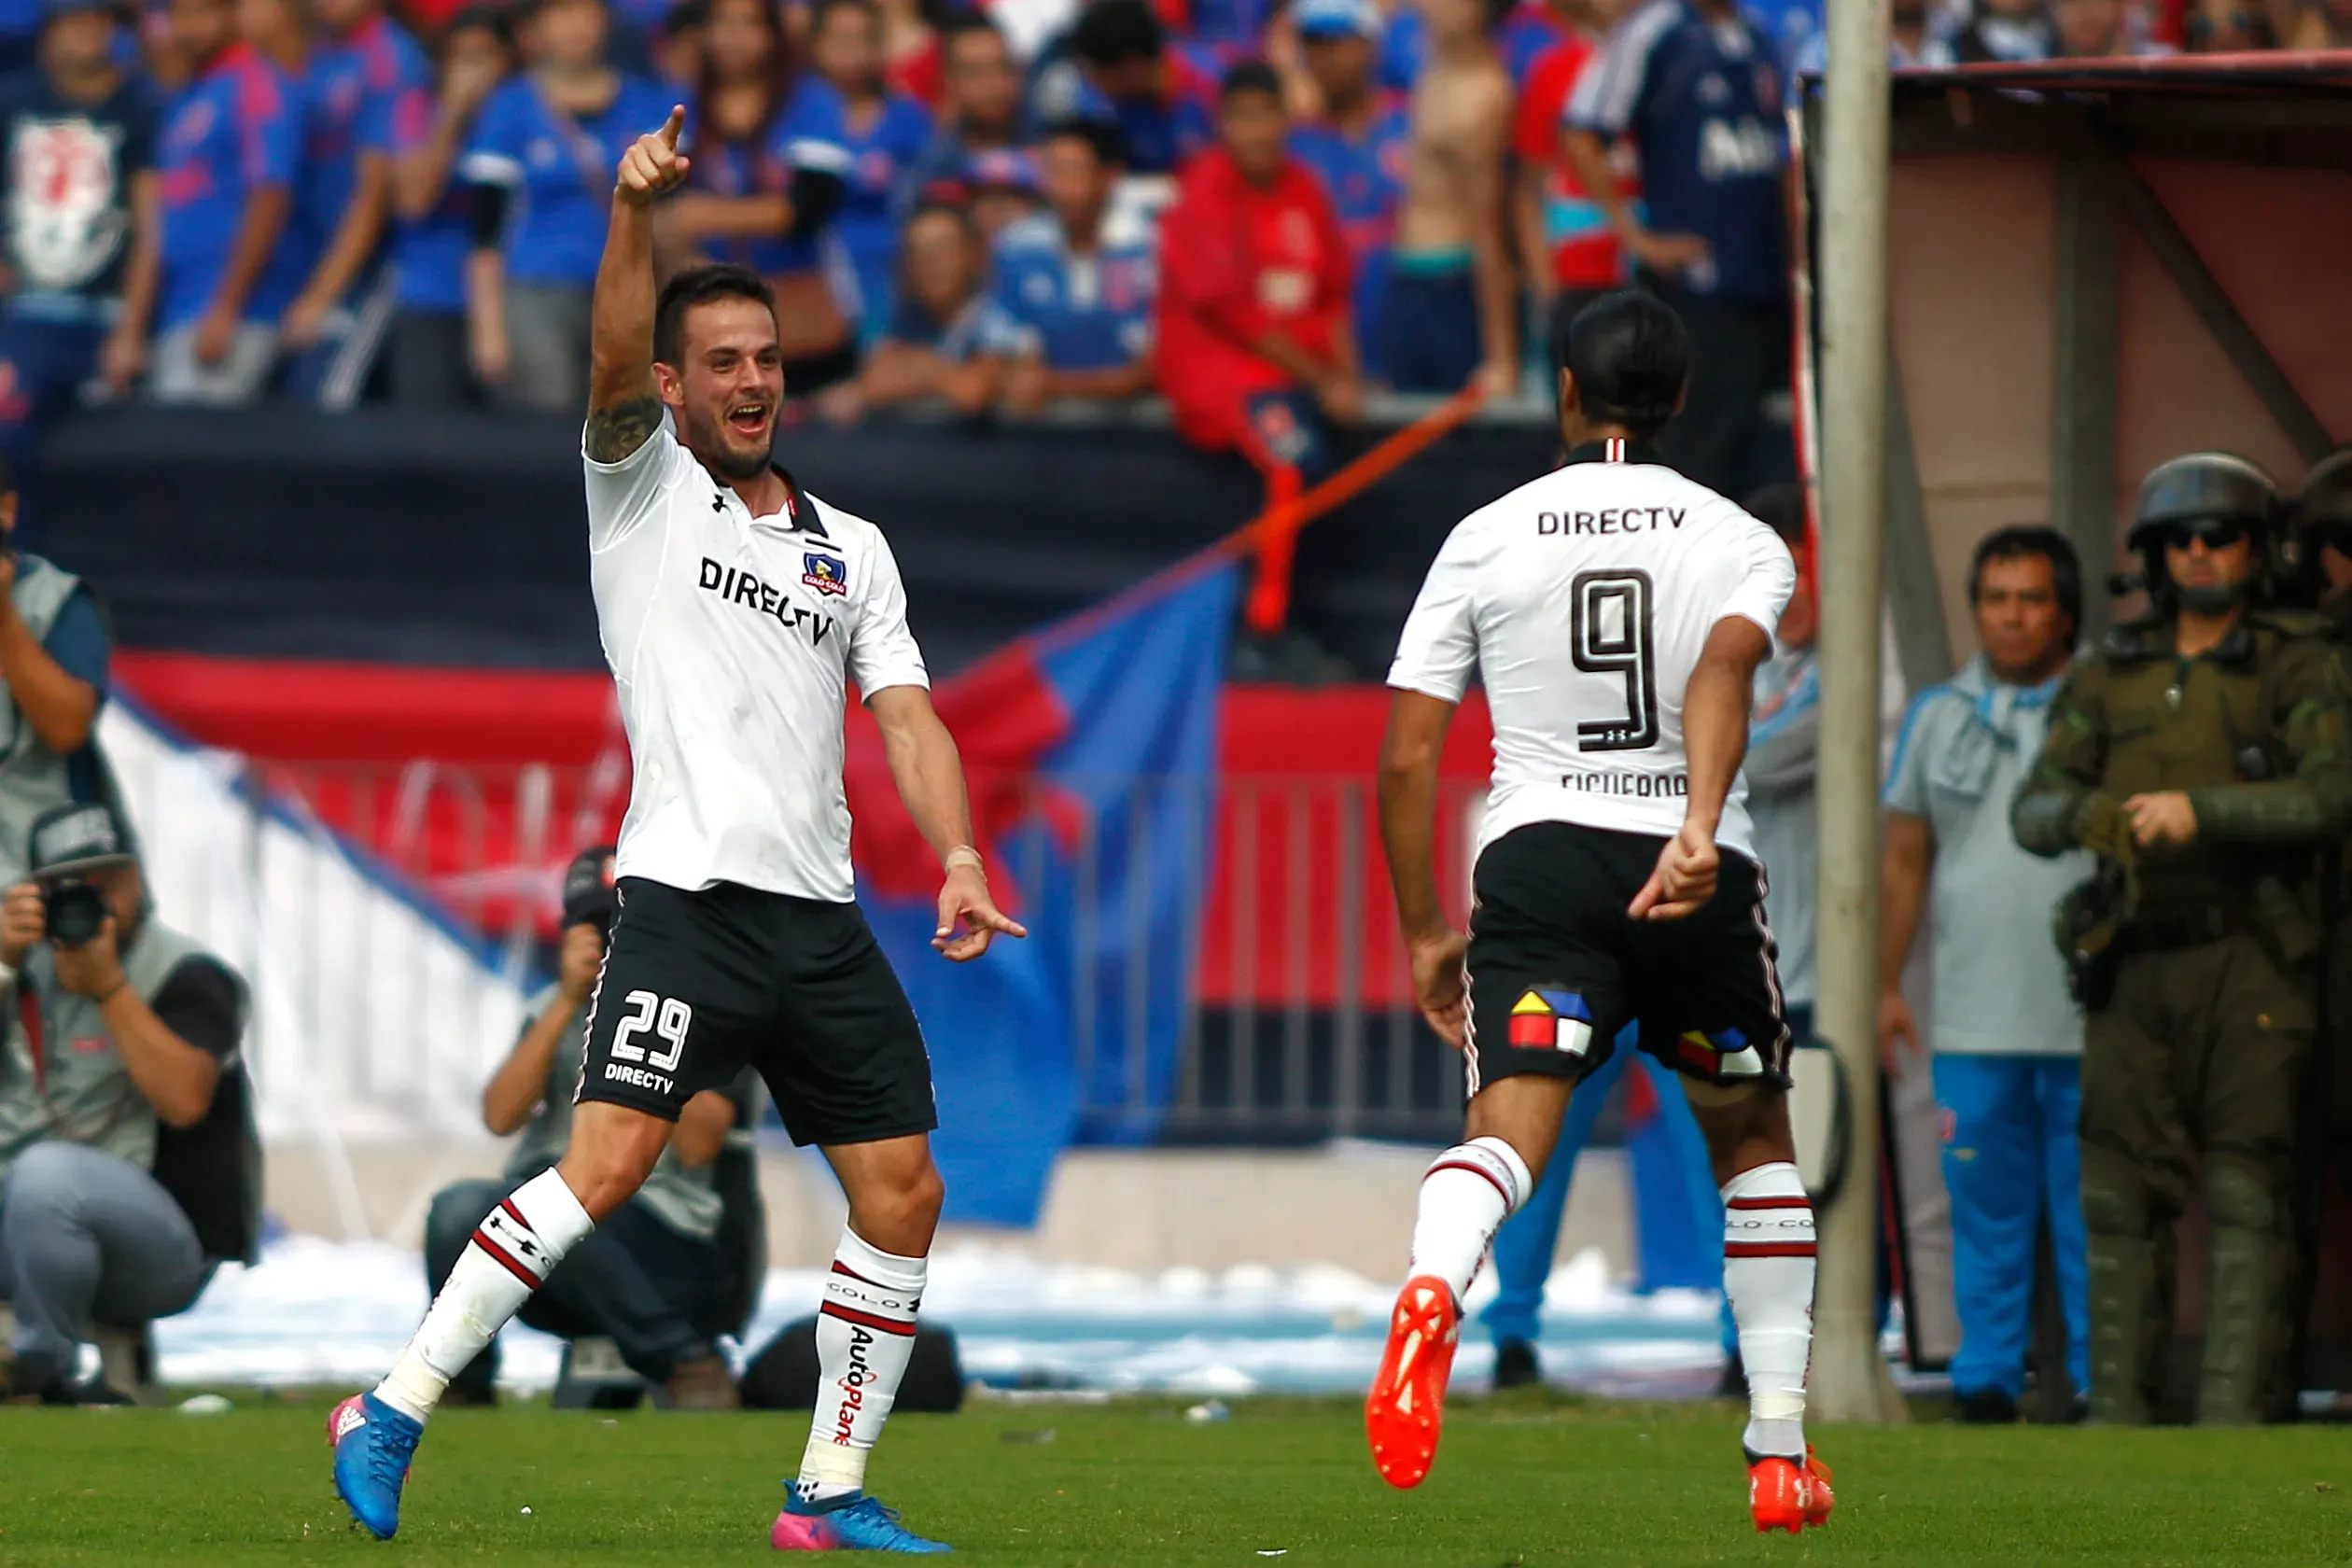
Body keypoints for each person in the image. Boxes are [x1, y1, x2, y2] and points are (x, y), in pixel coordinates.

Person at [329, 107, 1026, 1551]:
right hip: (687, 903)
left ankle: (825, 1494)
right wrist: (630, 209)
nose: (753, 381)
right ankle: (392, 1406)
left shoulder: (855, 552)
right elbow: (597, 360)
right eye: (723, 364)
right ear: (672, 386)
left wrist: (957, 850)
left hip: (816, 919)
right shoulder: (640, 492)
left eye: (767, 360)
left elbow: (907, 720)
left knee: (905, 1189)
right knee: (602, 1170)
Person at [1370, 289, 1830, 1531]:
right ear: (1679, 400)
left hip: (1542, 859)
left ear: (1564, 394)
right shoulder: (1743, 538)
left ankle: (1430, 1286)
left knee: (1509, 1135)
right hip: (1689, 866)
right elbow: (1728, 668)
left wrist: (1425, 931)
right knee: (1752, 1149)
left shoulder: (1484, 535)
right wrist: (1693, 818)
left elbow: (1408, 758)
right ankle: (1780, 1448)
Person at [2013, 454, 2352, 1425]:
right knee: (2119, 1198)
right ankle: (2117, 1416)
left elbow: (2331, 795)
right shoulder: (2110, 668)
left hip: (2253, 959)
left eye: (2221, 538)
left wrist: (2201, 811)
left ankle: (2234, 1421)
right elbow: (2032, 808)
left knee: (2252, 1191)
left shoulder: (2296, 659)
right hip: (2133, 960)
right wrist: (2092, 817)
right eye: (2181, 541)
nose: (2201, 556)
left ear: (2257, 549)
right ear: (2156, 558)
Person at [1880, 525, 2092, 1424]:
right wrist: (1884, 983)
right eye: (1996, 599)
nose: (2011, 617)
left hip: (2093, 1017)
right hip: (1971, 1018)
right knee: (1983, 1216)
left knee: (2092, 1222)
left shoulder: (2107, 707)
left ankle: (2094, 1378)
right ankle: (1987, 1380)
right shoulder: (1936, 717)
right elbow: (1901, 861)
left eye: (2031, 599)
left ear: (2065, 611)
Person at [422, 846, 740, 1408]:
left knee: (567, 1216)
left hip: (657, 1232)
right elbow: (500, 1115)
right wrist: (572, 999)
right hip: (549, 1227)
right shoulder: (552, 1006)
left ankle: (687, 1363)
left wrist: (644, 1003)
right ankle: (461, 1380)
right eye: (594, 925)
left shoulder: (703, 1003)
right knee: (457, 1209)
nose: (608, 940)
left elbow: (701, 1142)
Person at [0, 800, 251, 1404]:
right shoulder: (21, 964)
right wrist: (2, 963)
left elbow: (185, 1101)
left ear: (138, 880)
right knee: (39, 1179)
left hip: (158, 1244)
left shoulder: (188, 974)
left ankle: (38, 1369)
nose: (92, 906)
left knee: (48, 1173)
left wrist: (110, 989)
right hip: (22, 1221)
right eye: (68, 891)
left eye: (106, 885)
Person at [1158, 63, 1358, 643]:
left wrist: (1347, 379)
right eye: (1240, 117)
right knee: (1290, 458)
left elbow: (1333, 296)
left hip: (1292, 377)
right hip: (1222, 376)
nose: (1254, 131)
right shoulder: (1205, 188)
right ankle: (1264, 632)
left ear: (1283, 118)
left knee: (1318, 457)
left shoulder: (1304, 188)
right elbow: (1232, 312)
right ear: (1223, 123)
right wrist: (1325, 380)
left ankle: (1300, 622)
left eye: (1264, 114)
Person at [1564, 0, 1793, 498]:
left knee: (1758, 451)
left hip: (1763, 281)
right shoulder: (1654, 32)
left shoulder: (1757, 37)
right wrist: (1636, 236)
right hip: (1696, 288)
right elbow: (1583, 129)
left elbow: (1780, 157)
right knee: (1700, 453)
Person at [459, 0, 671, 411]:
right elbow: (485, 228)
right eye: (560, 14)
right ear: (535, 30)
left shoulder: (647, 103)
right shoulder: (510, 106)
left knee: (624, 425)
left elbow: (670, 212)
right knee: (548, 422)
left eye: (585, 12)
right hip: (536, 292)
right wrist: (488, 328)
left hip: (628, 293)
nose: (575, 26)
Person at [0, 0, 160, 487]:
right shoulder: (14, 102)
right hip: (25, 314)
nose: (88, 32)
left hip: (104, 317)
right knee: (10, 434)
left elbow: (151, 226)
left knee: (117, 465)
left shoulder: (139, 107)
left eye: (99, 21)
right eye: (76, 21)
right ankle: (16, 557)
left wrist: (132, 328)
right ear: (51, 32)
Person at [665, 0, 856, 400]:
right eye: (722, 23)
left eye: (748, 24)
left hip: (803, 316)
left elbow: (806, 210)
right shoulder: (680, 108)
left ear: (773, 34)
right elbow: (662, 214)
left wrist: (706, 216)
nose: (733, 37)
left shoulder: (812, 104)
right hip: (708, 313)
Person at [278, 0, 428, 407]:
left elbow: (373, 196)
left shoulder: (391, 59)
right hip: (306, 260)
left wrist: (320, 295)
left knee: (326, 404)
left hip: (368, 275)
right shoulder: (319, 51)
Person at [150, 0, 301, 405]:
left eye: (203, 14)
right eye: (180, 16)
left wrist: (225, 307)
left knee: (192, 455)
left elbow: (270, 197)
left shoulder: (256, 84)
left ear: (232, 16)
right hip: (179, 307)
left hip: (232, 314)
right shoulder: (191, 90)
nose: (190, 28)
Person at [1379, 0, 1514, 396]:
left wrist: (1501, 357)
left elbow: (1489, 228)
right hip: (1405, 276)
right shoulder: (1434, 64)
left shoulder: (1485, 96)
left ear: (1472, 10)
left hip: (1450, 285)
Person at [383, 6, 514, 406]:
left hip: (512, 301)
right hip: (430, 297)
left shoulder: (522, 111)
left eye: (484, 57)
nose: (473, 72)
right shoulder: (417, 110)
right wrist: (452, 117)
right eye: (461, 58)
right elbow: (413, 201)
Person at [979, 119, 1155, 415]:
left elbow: (1149, 371)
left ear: (1109, 177)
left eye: (1072, 171)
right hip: (1042, 444)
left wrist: (1054, 386)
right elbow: (1006, 358)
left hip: (1142, 443)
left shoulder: (1148, 250)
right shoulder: (1017, 248)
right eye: (1051, 171)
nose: (1059, 187)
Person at [0, 456, 112, 887]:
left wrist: (5, 617)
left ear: (7, 511)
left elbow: (67, 727)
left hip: (42, 872)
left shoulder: (58, 601)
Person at [1284, 0, 1409, 385]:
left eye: (1336, 41)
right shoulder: (1293, 145)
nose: (1324, 57)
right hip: (1335, 355)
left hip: (1412, 329)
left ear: (1370, 45)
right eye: (1313, 44)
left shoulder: (1413, 124)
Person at [1511, 0, 1629, 391]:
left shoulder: (1666, 62)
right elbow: (1528, 188)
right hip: (1574, 279)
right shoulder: (1552, 70)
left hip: (1646, 279)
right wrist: (1545, 284)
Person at [803, 0, 932, 343]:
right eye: (841, 39)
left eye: (864, 39)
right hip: (811, 274)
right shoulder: (794, 117)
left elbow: (924, 199)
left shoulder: (908, 116)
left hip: (889, 274)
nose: (853, 51)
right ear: (816, 45)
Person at [852, 199, 994, 415]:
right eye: (918, 253)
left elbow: (973, 392)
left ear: (972, 255)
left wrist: (922, 366)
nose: (931, 264)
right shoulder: (910, 316)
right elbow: (875, 380)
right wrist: (941, 376)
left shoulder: (994, 313)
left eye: (943, 250)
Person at [1053, 0, 1214, 176]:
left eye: (1097, 74)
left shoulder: (1211, 86)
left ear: (1132, 67)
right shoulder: (1095, 103)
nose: (1092, 83)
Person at [904, 17, 1029, 205]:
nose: (993, 83)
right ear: (950, 81)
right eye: (976, 72)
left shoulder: (1049, 155)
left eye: (1002, 67)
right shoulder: (929, 172)